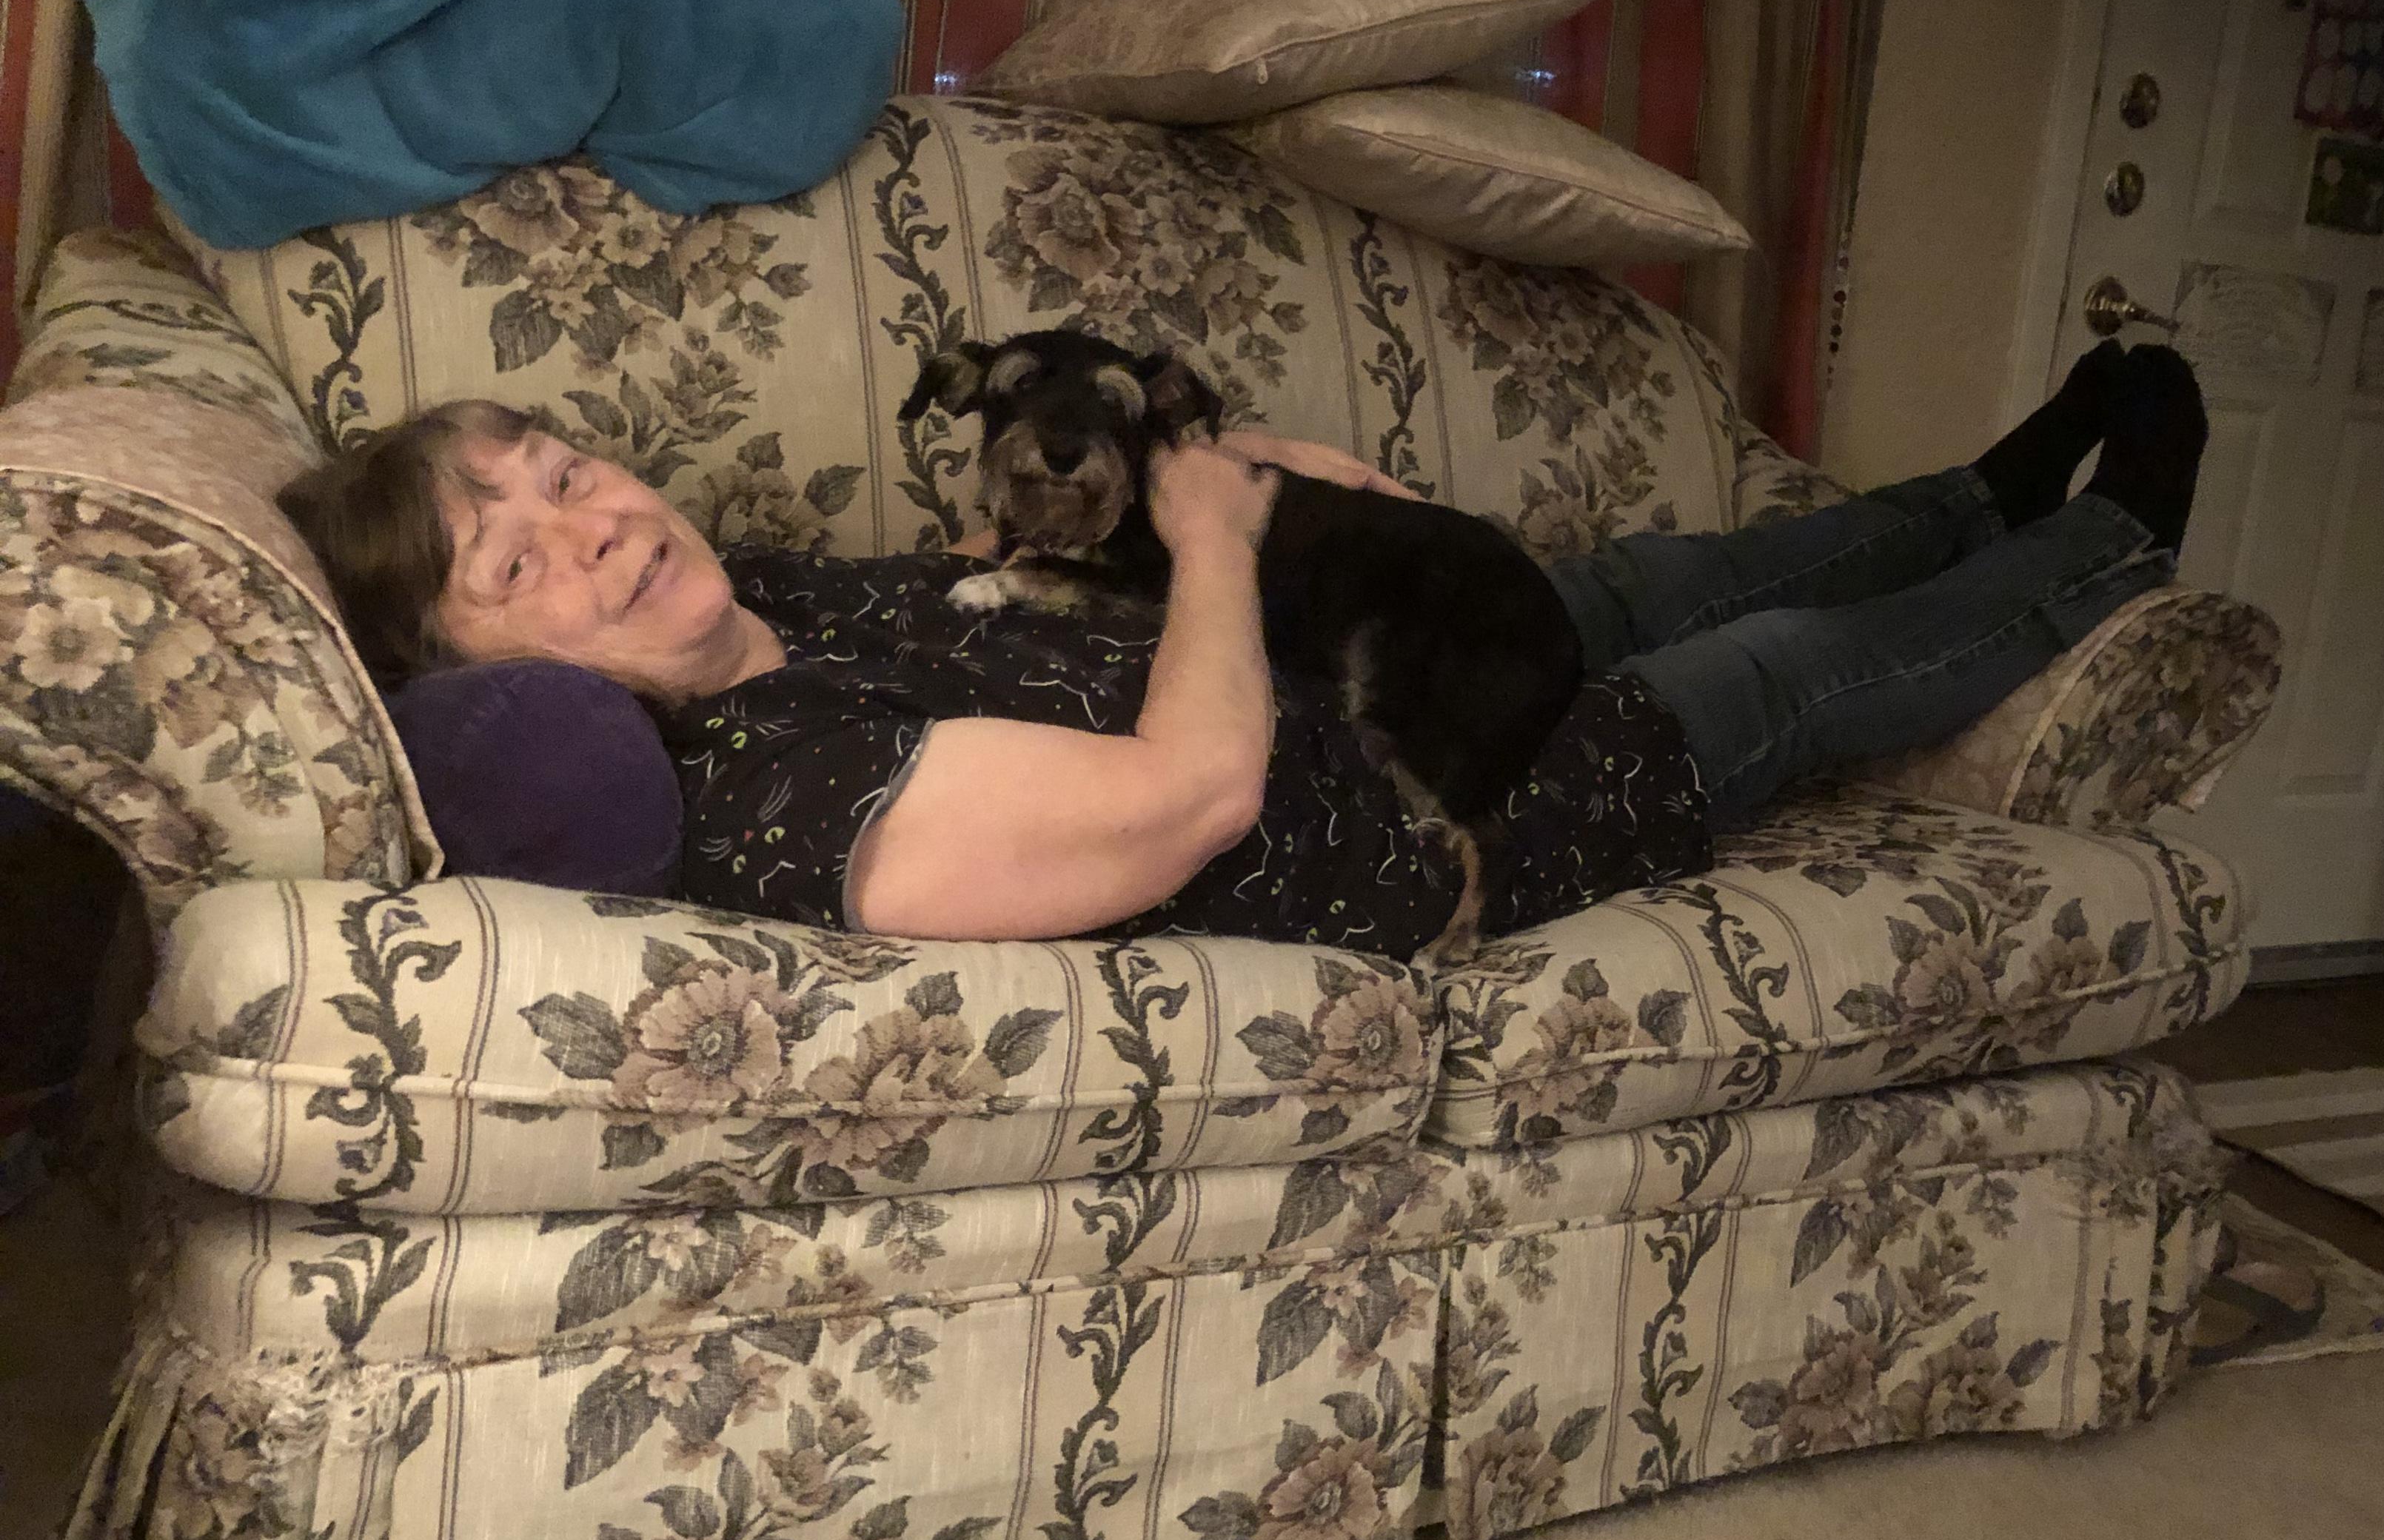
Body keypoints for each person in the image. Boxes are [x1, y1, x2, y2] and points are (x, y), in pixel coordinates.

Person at [276, 342, 2207, 959]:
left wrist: (1258, 487)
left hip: (1377, 646)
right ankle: (2117, 536)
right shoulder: (772, 790)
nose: (598, 523)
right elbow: (1191, 794)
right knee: (1775, 662)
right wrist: (1216, 533)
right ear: (472, 673)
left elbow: (1017, 576)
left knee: (1663, 568)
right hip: (1457, 809)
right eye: (515, 557)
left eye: (568, 473)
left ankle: (1985, 490)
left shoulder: (770, 596)